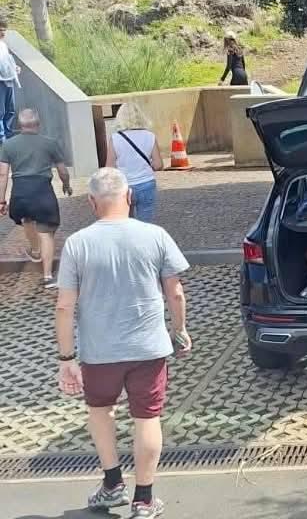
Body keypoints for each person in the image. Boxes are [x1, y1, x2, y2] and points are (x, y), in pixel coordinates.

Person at [55, 168, 191, 519]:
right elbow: (175, 292)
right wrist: (179, 330)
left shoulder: (77, 243)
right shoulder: (155, 235)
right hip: (148, 349)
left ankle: (113, 483)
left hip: (99, 353)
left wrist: (67, 358)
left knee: (100, 412)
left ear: (91, 202)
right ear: (130, 197)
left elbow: (64, 306)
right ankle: (144, 500)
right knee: (147, 418)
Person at [0, 108, 72, 288]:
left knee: (26, 218)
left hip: (20, 191)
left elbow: (3, 175)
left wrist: (1, 200)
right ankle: (47, 276)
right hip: (42, 190)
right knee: (46, 233)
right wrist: (66, 184)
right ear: (38, 124)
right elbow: (63, 170)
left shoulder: (8, 145)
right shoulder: (50, 143)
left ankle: (35, 249)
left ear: (19, 125)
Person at [106, 102, 164, 223]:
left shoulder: (115, 138)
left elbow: (110, 168)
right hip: (146, 184)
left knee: (126, 222)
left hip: (124, 186)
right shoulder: (150, 136)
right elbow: (158, 165)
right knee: (145, 223)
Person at [0, 18, 22, 141]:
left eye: (4, 30)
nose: (3, 33)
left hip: (8, 80)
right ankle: (1, 137)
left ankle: (7, 132)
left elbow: (8, 61)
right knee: (0, 111)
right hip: (0, 82)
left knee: (10, 109)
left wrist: (15, 68)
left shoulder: (3, 45)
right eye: (0, 30)